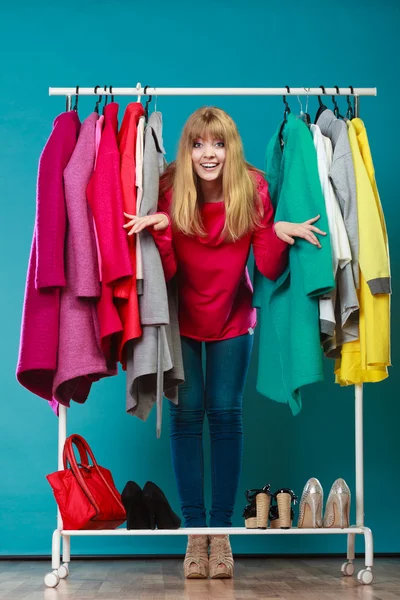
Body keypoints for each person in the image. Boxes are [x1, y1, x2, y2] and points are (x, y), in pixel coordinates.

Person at [124, 106, 326, 579]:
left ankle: (223, 535)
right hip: (184, 320)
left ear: (229, 147)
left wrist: (277, 233)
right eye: (198, 144)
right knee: (187, 417)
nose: (208, 153)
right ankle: (196, 537)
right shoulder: (171, 189)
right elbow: (169, 275)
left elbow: (270, 268)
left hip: (234, 317)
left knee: (226, 416)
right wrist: (162, 236)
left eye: (217, 143)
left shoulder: (252, 189)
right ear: (188, 149)